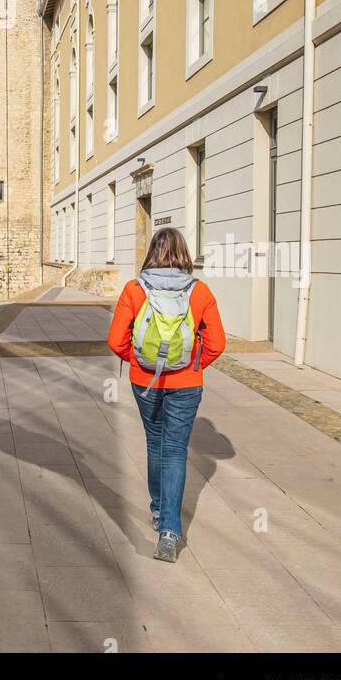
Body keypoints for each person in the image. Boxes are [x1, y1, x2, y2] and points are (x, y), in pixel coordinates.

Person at [107, 226, 225, 563]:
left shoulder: (134, 289)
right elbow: (217, 343)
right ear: (184, 254)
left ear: (152, 253)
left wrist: (140, 363)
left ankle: (159, 511)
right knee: (175, 450)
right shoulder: (200, 292)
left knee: (155, 443)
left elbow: (116, 341)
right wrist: (192, 364)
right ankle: (170, 533)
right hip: (186, 383)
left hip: (145, 382)